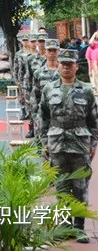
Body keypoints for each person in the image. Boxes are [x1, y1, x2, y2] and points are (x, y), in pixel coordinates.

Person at [39, 49, 98, 244]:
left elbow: (94, 121)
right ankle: (65, 226)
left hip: (80, 145)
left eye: (69, 64)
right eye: (63, 63)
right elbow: (43, 118)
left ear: (76, 67)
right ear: (58, 66)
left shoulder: (86, 90)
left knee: (80, 188)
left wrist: (93, 143)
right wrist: (44, 142)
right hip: (57, 144)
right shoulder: (49, 89)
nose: (66, 67)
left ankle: (79, 228)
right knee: (62, 187)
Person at [33, 39, 62, 142]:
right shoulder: (38, 73)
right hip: (43, 113)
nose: (52, 53)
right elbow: (35, 96)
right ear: (45, 52)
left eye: (54, 50)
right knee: (42, 143)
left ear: (59, 52)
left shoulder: (64, 72)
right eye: (49, 50)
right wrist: (35, 115)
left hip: (60, 113)